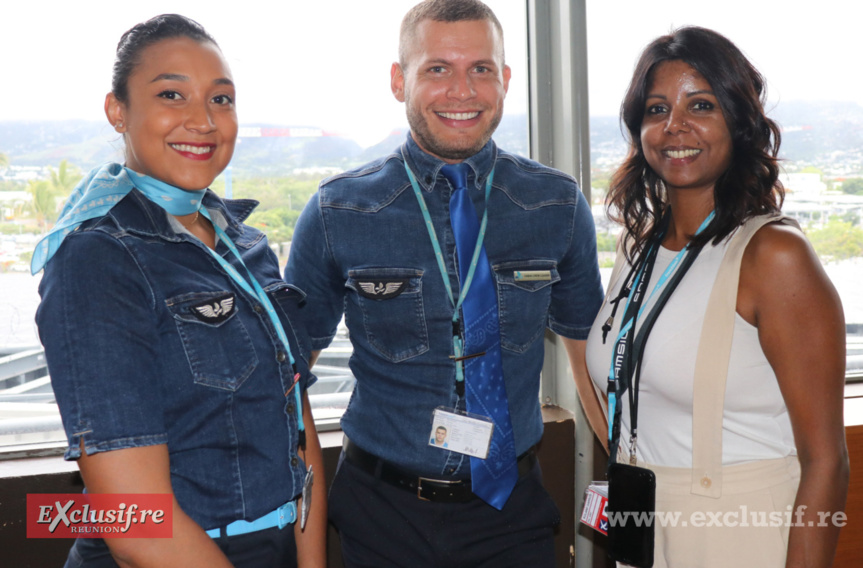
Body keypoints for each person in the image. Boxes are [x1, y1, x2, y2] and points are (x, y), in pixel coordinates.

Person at [284, 1, 603, 566]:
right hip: (382, 513)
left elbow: (589, 359)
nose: (462, 91)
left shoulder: (555, 204)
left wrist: (628, 468)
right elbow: (288, 383)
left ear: (505, 81)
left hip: (512, 514)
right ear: (398, 79)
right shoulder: (339, 211)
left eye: (481, 69)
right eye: (437, 69)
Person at [33, 14, 325, 568]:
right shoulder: (99, 258)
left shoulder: (246, 245)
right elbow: (137, 524)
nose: (203, 121)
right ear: (117, 111)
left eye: (221, 100)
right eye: (172, 94)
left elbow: (298, 425)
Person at [582, 26, 849, 567]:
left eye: (700, 104)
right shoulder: (637, 247)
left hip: (739, 534)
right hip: (646, 527)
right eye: (656, 109)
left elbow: (826, 461)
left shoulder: (773, 256)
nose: (675, 125)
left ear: (739, 120)